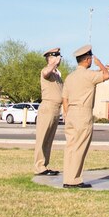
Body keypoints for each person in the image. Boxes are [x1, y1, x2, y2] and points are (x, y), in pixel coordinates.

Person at [61, 44, 109, 189]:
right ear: (88, 60)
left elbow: (65, 98)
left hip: (70, 112)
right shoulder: (89, 75)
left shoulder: (70, 77)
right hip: (83, 112)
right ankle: (74, 180)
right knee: (79, 147)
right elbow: (106, 75)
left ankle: (67, 178)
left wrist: (66, 113)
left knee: (70, 146)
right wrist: (100, 63)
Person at [34, 46, 64, 176]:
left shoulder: (57, 74)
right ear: (50, 58)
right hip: (47, 107)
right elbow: (46, 73)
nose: (60, 59)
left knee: (49, 139)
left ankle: (44, 166)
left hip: (56, 108)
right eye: (57, 56)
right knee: (42, 138)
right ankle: (38, 166)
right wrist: (53, 64)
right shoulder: (46, 71)